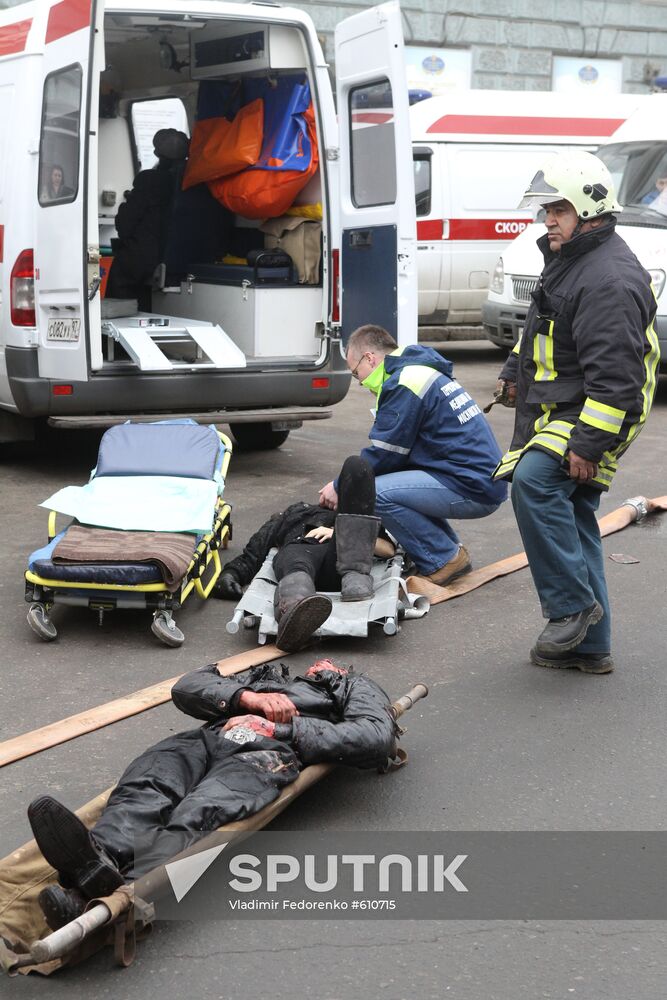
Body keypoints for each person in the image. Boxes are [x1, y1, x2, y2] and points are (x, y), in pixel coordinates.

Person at [27, 658, 398, 930]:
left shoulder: (352, 687)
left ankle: (113, 889)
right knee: (144, 788)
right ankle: (95, 861)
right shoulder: (265, 677)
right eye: (317, 662)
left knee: (199, 812)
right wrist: (247, 697)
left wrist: (279, 728)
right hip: (209, 738)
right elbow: (187, 686)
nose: (318, 664)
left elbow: (374, 738)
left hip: (265, 753)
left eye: (328, 664)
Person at [493, 150, 659, 674]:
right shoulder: (572, 259)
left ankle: (571, 609)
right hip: (571, 402)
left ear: (590, 211)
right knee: (576, 515)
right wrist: (513, 371)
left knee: (536, 483)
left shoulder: (606, 278)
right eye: (547, 211)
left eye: (558, 211)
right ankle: (590, 646)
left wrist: (589, 445)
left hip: (595, 409)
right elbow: (542, 329)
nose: (548, 220)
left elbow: (617, 379)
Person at [319, 327, 507, 585]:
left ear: (370, 358)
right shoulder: (418, 371)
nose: (360, 382)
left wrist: (340, 486)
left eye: (356, 373)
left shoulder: (404, 382)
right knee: (398, 483)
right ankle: (450, 550)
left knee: (375, 491)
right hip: (479, 479)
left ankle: (442, 558)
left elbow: (385, 455)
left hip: (473, 486)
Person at [215, 456, 393, 652]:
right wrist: (231, 574)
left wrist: (339, 532)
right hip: (299, 553)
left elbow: (388, 549)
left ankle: (354, 579)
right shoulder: (293, 514)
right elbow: (255, 550)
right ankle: (295, 611)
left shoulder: (352, 516)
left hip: (342, 561)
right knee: (295, 562)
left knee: (357, 464)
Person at [105, 128, 190, 302]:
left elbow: (124, 225)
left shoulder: (149, 181)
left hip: (144, 262)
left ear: (157, 154)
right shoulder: (193, 183)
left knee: (120, 274)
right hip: (180, 259)